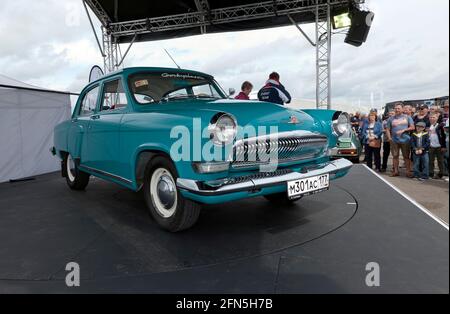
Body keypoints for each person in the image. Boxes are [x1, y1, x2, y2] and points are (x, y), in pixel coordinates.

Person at [386, 103, 416, 177]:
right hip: (394, 140)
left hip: (405, 140)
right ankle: (396, 171)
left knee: (406, 157)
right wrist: (389, 138)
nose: (397, 110)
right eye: (395, 108)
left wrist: (404, 130)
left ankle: (408, 172)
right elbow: (387, 129)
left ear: (402, 109)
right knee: (395, 156)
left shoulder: (408, 117)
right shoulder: (391, 118)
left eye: (398, 108)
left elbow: (412, 127)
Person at [428, 113, 447, 179]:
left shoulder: (440, 126)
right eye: (431, 117)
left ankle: (441, 173)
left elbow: (443, 136)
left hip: (439, 146)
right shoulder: (428, 126)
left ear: (437, 118)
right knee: (430, 161)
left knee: (440, 161)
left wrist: (443, 146)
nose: (432, 118)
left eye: (433, 117)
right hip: (431, 146)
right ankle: (431, 173)